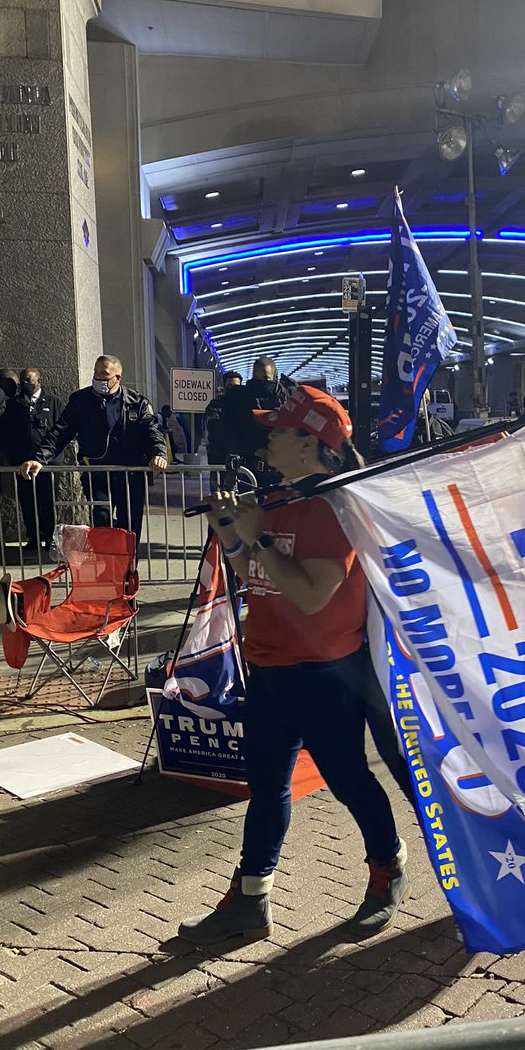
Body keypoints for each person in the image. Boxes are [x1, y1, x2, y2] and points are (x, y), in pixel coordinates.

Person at [178, 385, 409, 946]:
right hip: (271, 668)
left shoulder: (334, 507)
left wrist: (256, 541)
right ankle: (251, 899)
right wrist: (231, 537)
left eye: (279, 429)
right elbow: (257, 579)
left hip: (325, 674)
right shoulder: (281, 497)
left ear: (311, 443)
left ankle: (388, 868)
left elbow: (310, 596)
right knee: (267, 788)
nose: (269, 437)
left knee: (348, 779)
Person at [19, 355, 167, 547]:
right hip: (97, 472)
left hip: (131, 474)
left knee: (130, 525)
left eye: (104, 374)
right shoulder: (81, 401)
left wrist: (159, 453)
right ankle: (106, 568)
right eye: (95, 372)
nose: (98, 378)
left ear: (118, 377)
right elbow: (60, 431)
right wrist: (39, 458)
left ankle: (128, 569)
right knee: (101, 518)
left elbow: (151, 430)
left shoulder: (136, 402)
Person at [0, 367, 64, 555]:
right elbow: (4, 433)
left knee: (48, 503)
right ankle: (33, 538)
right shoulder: (13, 405)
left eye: (29, 380)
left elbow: (62, 432)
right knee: (27, 502)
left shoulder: (54, 403)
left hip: (48, 466)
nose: (26, 384)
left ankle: (50, 539)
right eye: (23, 381)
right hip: (22, 464)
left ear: (39, 381)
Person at [218, 356, 293, 487]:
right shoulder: (239, 398)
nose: (260, 383)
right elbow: (227, 432)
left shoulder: (287, 399)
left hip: (280, 472)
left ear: (274, 377)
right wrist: (254, 449)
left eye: (265, 378)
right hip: (248, 471)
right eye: (256, 378)